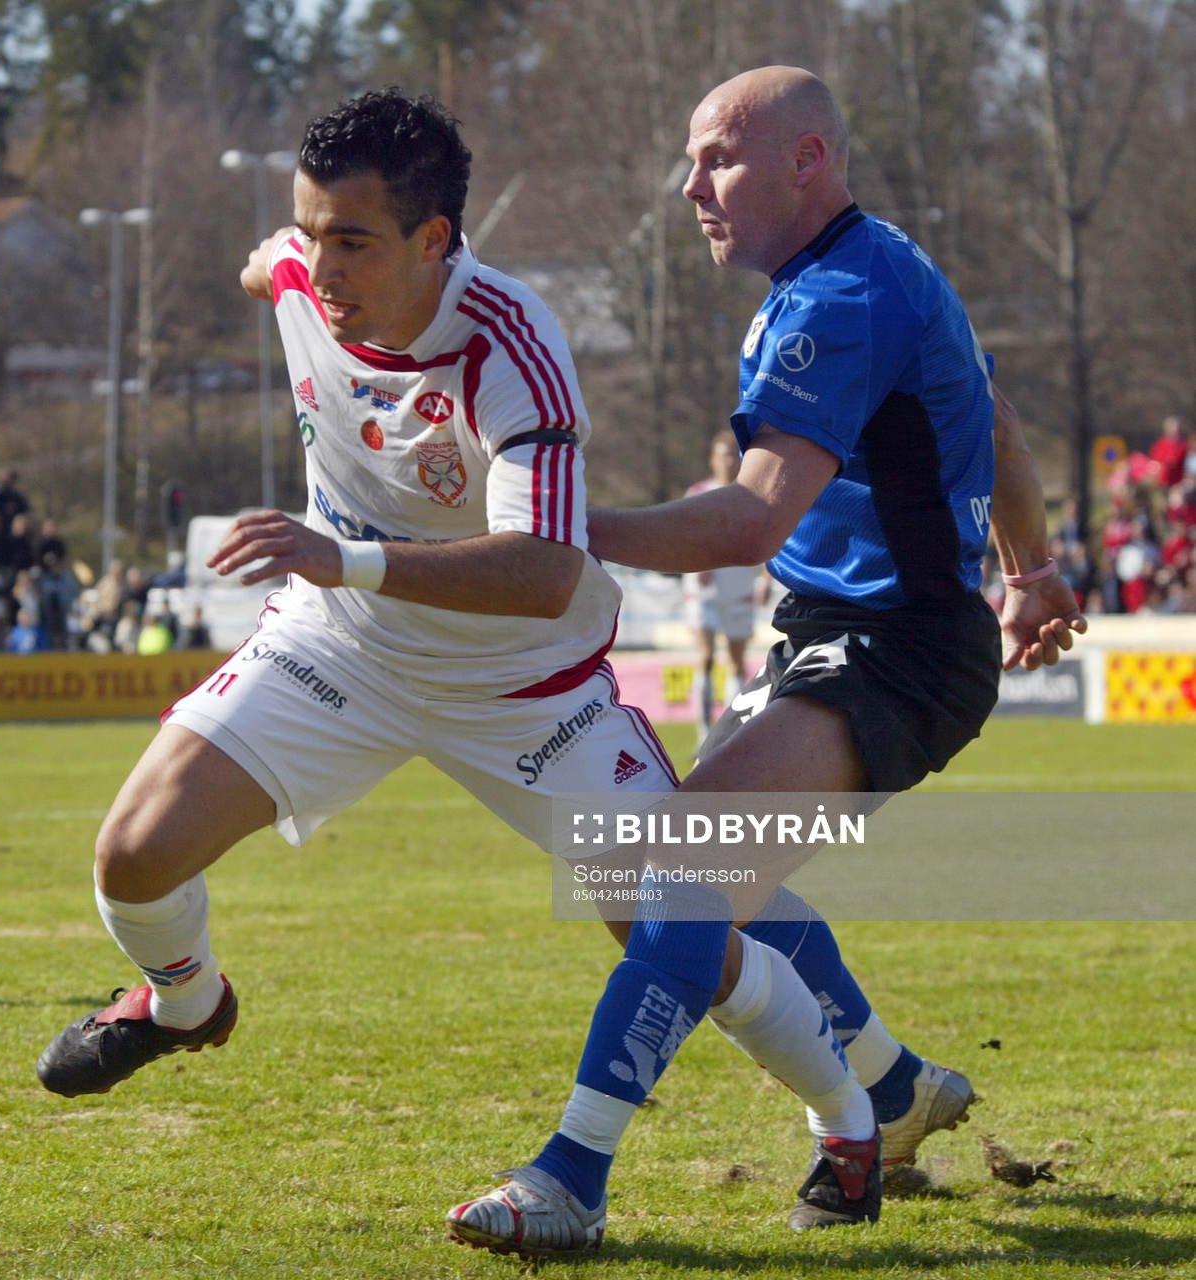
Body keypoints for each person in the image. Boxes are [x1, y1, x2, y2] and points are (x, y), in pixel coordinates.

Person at [447, 66, 1090, 1254]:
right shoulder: (873, 267)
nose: (688, 184)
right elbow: (989, 419)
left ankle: (573, 1173)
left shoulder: (839, 296)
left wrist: (551, 522)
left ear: (807, 160)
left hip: (890, 648)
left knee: (676, 875)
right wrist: (1032, 567)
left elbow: (747, 524)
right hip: (840, 634)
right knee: (658, 876)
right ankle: (888, 1089)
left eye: (716, 159)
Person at [34, 88, 708, 1118]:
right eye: (311, 233)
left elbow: (543, 572)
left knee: (681, 923)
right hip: (341, 649)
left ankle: (871, 1096)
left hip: (515, 681)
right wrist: (276, 261)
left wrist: (342, 555)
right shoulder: (302, 274)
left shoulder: (509, 344)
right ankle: (184, 1003)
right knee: (131, 856)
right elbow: (268, 266)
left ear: (433, 238)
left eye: (351, 239)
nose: (323, 265)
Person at [682, 431, 763, 732]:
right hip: (704, 591)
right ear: (712, 460)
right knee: (705, 657)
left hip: (739, 588)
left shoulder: (752, 495)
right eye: (722, 455)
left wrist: (766, 578)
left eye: (733, 455)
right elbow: (684, 537)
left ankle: (730, 731)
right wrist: (696, 563)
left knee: (737, 661)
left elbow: (769, 539)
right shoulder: (699, 492)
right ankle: (704, 733)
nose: (728, 462)